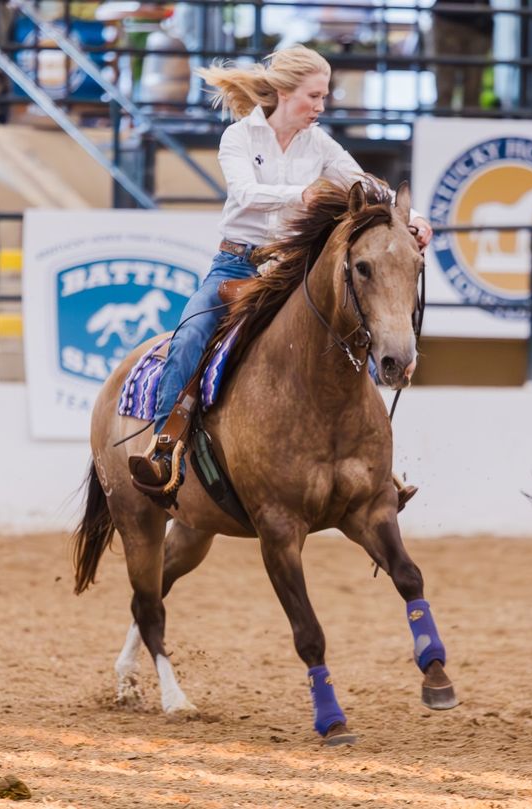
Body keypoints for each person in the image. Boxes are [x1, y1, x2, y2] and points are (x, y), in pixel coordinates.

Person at [130, 44, 433, 496]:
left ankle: (371, 458)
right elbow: (246, 194)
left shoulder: (321, 144)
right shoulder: (239, 138)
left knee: (352, 333)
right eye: (314, 96)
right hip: (236, 262)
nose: (321, 106)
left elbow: (366, 185)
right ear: (285, 93)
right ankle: (164, 445)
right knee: (191, 333)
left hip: (292, 268)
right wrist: (303, 194)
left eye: (324, 96)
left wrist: (410, 219)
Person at [431, 0, 494, 112]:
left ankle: (470, 125)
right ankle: (442, 124)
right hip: (448, 18)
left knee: (473, 90)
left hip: (479, 23)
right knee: (445, 88)